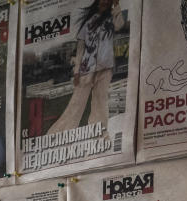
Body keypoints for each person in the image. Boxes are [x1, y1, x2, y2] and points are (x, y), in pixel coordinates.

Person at [47, 0, 128, 141]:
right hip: (86, 69)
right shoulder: (88, 22)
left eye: (109, 0)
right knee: (77, 103)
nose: (105, 2)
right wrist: (77, 71)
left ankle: (99, 135)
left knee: (100, 102)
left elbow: (119, 25)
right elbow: (80, 48)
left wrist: (117, 6)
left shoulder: (111, 19)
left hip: (105, 68)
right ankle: (59, 135)